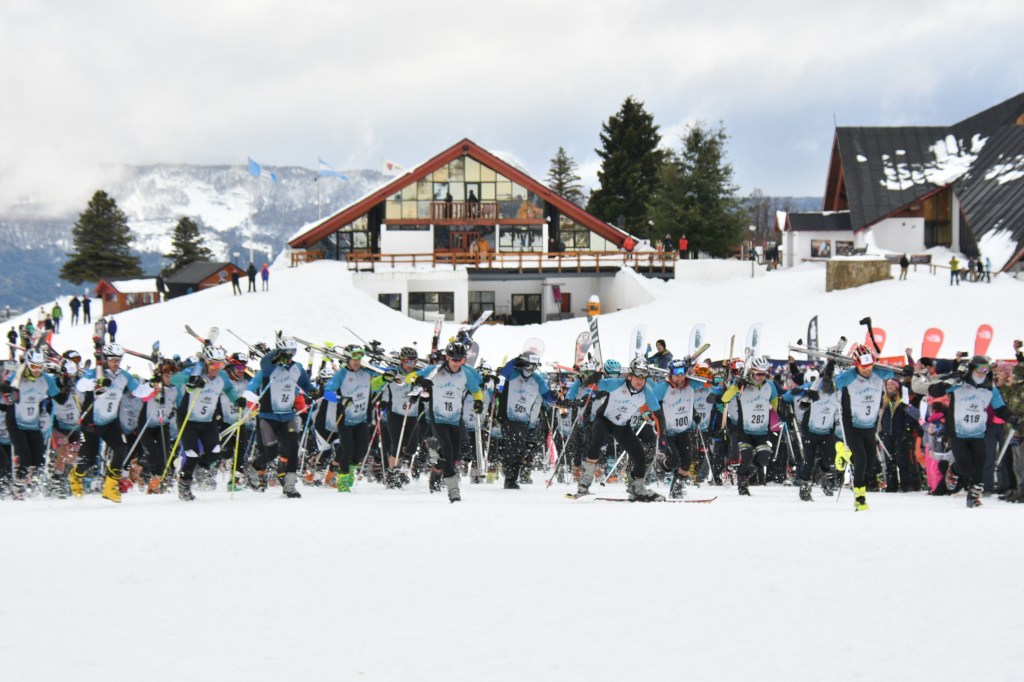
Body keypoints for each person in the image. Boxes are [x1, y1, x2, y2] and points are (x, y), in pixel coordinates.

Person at [928, 354, 1019, 507]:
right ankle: (954, 470)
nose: (982, 373)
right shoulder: (959, 383)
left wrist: (1010, 417)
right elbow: (934, 391)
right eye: (979, 369)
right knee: (964, 465)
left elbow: (1000, 408)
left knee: (979, 464)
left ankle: (973, 497)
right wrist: (949, 381)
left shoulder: (990, 389)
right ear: (971, 369)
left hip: (978, 433)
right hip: (958, 432)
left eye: (986, 369)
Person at [67, 343, 153, 503]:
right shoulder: (96, 372)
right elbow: (81, 385)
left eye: (118, 359)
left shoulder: (124, 376)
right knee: (89, 459)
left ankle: (110, 486)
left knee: (121, 448)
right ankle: (75, 475)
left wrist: (152, 385)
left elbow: (139, 392)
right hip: (91, 422)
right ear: (106, 359)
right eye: (113, 359)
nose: (116, 363)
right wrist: (96, 383)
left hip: (110, 421)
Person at [573, 357, 665, 501]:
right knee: (596, 443)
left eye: (644, 377)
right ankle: (584, 484)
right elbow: (589, 384)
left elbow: (659, 415)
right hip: (604, 420)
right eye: (637, 376)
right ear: (630, 376)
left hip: (621, 426)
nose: (640, 380)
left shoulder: (647, 393)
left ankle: (637, 488)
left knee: (639, 455)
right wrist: (594, 376)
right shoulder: (616, 383)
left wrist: (662, 436)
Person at [169, 346, 247, 501]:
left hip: (208, 420)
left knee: (215, 452)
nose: (216, 368)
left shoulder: (222, 376)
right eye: (213, 364)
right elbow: (173, 379)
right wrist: (190, 380)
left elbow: (229, 389)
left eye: (220, 364)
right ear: (206, 363)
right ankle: (184, 485)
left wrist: (237, 400)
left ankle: (198, 468)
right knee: (191, 454)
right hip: (188, 419)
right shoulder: (195, 372)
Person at [412, 342, 484, 503]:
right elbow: (412, 377)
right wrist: (420, 381)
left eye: (461, 360)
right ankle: (453, 491)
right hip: (438, 418)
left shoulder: (466, 373)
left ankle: (436, 468)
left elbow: (476, 391)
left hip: (455, 419)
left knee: (454, 455)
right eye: (454, 360)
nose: (457, 363)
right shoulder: (435, 370)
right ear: (447, 358)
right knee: (448, 450)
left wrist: (479, 401)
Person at [244, 337, 315, 498]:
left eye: (292, 352)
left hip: (288, 416)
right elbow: (263, 363)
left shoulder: (297, 367)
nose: (289, 356)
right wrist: (275, 355)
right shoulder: (268, 368)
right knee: (271, 454)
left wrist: (313, 392)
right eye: (286, 352)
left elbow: (306, 384)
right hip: (268, 417)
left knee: (293, 449)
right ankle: (254, 467)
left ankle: (290, 486)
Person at [833, 344, 897, 511]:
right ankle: (860, 498)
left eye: (870, 366)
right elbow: (828, 385)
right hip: (852, 424)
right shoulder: (848, 377)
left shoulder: (879, 372)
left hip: (870, 424)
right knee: (861, 460)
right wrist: (828, 374)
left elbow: (898, 373)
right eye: (863, 367)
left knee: (869, 465)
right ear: (856, 364)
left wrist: (907, 371)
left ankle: (845, 453)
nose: (868, 370)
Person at [0, 349, 61, 498]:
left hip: (33, 422)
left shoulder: (46, 379)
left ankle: (34, 485)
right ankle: (18, 487)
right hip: (15, 422)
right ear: (27, 365)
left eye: (40, 367)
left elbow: (61, 398)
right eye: (34, 366)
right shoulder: (18, 375)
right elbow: (3, 387)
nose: (37, 370)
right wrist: (11, 389)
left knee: (39, 459)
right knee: (25, 457)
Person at [714, 356, 779, 496]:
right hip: (745, 430)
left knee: (764, 459)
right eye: (759, 374)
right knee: (747, 458)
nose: (761, 377)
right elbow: (725, 398)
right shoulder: (743, 385)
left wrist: (776, 414)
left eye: (764, 374)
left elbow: (774, 402)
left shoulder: (770, 385)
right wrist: (736, 386)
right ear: (752, 372)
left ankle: (744, 473)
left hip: (762, 430)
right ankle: (742, 483)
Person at [322, 345, 378, 493]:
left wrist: (388, 375)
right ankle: (343, 481)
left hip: (362, 418)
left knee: (362, 450)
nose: (357, 362)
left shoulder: (366, 372)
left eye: (359, 358)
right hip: (345, 418)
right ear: (347, 359)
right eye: (354, 358)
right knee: (347, 449)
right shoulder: (341, 374)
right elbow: (327, 392)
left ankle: (351, 470)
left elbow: (382, 373)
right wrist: (340, 398)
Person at [496, 352, 556, 489]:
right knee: (515, 444)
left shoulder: (537, 379)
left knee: (521, 449)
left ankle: (511, 480)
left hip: (524, 419)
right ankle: (506, 465)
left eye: (533, 367)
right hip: (508, 417)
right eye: (528, 366)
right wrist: (515, 360)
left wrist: (553, 397)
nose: (530, 370)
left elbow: (547, 395)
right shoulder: (513, 373)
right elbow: (503, 373)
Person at [879, 377, 923, 492]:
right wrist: (881, 431)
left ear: (897, 387)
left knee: (903, 460)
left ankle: (906, 484)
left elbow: (910, 417)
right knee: (889, 461)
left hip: (901, 434)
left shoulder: (904, 401)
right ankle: (891, 486)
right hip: (888, 434)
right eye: (888, 385)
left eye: (892, 385)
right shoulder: (884, 401)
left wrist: (906, 430)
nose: (890, 387)